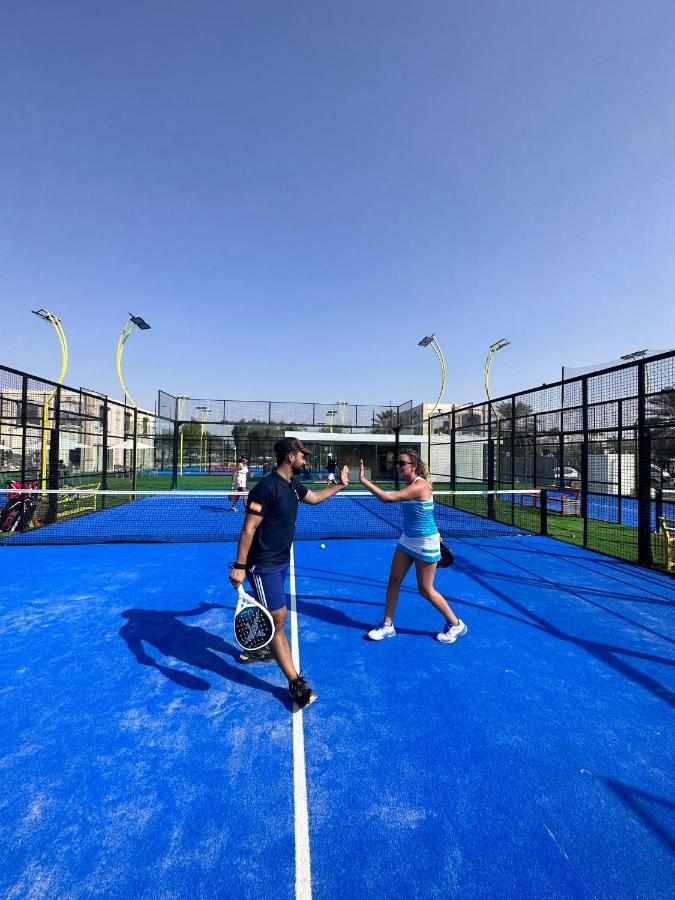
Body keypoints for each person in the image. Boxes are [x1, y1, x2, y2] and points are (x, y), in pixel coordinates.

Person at [229, 437, 349, 708]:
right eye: (303, 455)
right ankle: (295, 682)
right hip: (264, 565)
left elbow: (316, 498)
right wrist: (239, 566)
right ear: (290, 457)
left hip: (282, 560)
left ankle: (254, 647)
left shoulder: (292, 485)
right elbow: (248, 529)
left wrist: (340, 484)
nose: (305, 460)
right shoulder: (265, 488)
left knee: (269, 611)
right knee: (279, 618)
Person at [358, 450, 467, 644]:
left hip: (425, 543)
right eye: (397, 463)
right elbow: (425, 513)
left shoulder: (420, 485)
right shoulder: (410, 485)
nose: (398, 466)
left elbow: (387, 499)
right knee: (394, 581)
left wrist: (364, 480)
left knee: (425, 589)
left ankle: (456, 623)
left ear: (413, 466)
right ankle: (387, 625)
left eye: (402, 463)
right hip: (408, 539)